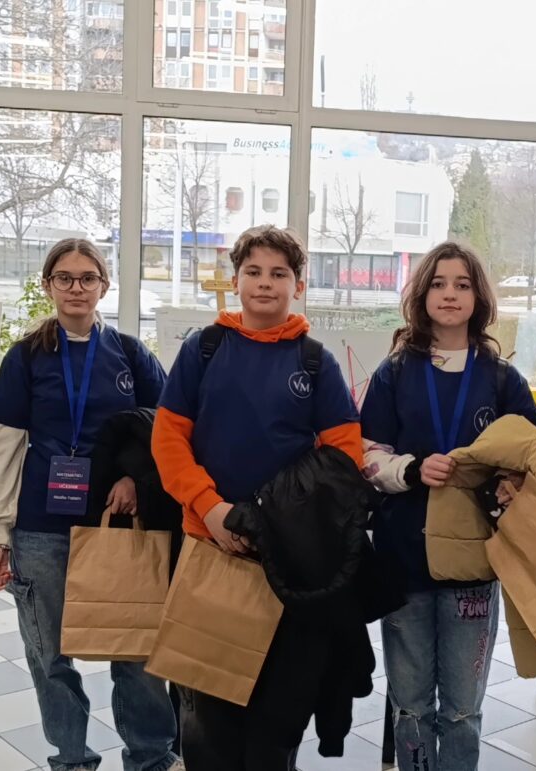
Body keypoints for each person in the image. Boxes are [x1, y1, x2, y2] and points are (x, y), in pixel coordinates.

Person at [151, 225, 362, 770]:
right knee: (207, 715)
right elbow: (168, 440)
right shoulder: (203, 349)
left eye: (278, 273)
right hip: (210, 547)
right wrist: (210, 508)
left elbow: (343, 460)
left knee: (277, 716)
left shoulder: (315, 362)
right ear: (235, 280)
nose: (265, 283)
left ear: (298, 285)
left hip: (286, 563)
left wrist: (284, 521)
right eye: (253, 272)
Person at [0, 238, 181, 771]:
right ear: (48, 285)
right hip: (42, 528)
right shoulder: (26, 356)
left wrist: (136, 479)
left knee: (135, 650)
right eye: (64, 278)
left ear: (104, 286)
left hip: (119, 527)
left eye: (87, 277)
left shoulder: (130, 354)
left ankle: (152, 758)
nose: (76, 288)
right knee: (50, 656)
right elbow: (1, 447)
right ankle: (71, 760)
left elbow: (168, 432)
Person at [360, 241, 536, 771]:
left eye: (462, 285)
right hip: (404, 558)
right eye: (438, 283)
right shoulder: (395, 372)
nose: (449, 294)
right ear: (421, 295)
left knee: (463, 709)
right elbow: (366, 453)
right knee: (411, 705)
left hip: (474, 564)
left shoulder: (502, 378)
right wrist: (411, 469)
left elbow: (532, 458)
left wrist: (506, 482)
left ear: (478, 298)